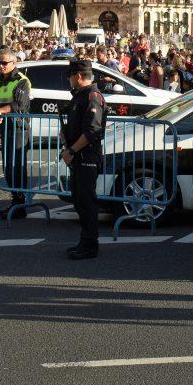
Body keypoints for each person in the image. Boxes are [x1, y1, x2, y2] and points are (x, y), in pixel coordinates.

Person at [60, 59, 108, 260]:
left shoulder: (92, 96)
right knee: (79, 201)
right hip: (78, 156)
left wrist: (71, 150)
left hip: (86, 155)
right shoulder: (80, 96)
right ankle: (84, 242)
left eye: (70, 76)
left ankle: (90, 246)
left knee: (87, 203)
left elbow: (92, 132)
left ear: (78, 76)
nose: (69, 80)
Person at [0, 48, 32, 220]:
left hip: (19, 128)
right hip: (5, 129)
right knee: (8, 167)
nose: (1, 66)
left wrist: (1, 111)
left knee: (17, 167)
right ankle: (16, 200)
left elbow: (19, 104)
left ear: (14, 63)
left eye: (5, 63)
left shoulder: (21, 81)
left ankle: (20, 204)